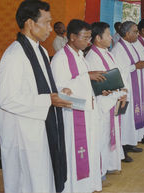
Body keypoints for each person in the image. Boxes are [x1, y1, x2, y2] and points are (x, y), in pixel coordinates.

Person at [0, 0, 71, 193]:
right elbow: (6, 99)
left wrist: (59, 93)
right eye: (46, 22)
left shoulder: (41, 51)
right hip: (24, 132)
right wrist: (48, 100)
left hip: (41, 126)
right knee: (28, 181)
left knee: (42, 178)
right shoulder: (15, 55)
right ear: (30, 23)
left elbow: (43, 87)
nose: (50, 28)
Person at [51, 19, 104, 192]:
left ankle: (87, 185)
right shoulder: (60, 59)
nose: (88, 41)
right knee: (76, 154)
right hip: (72, 115)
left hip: (87, 111)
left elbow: (85, 82)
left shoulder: (80, 55)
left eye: (90, 37)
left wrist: (99, 89)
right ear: (72, 37)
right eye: (85, 37)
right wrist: (87, 77)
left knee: (90, 149)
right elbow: (59, 91)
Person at [85, 22, 127, 183]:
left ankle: (109, 164)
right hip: (103, 102)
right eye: (108, 34)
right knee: (102, 136)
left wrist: (123, 91)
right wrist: (112, 93)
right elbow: (98, 84)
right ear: (97, 38)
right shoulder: (92, 57)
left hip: (113, 99)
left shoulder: (107, 53)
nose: (111, 37)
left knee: (111, 132)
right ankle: (100, 168)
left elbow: (118, 74)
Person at [111, 21, 144, 162]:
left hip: (134, 87)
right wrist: (134, 67)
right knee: (123, 119)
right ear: (127, 34)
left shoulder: (130, 46)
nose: (137, 34)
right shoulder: (118, 49)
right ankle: (122, 149)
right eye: (135, 31)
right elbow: (118, 71)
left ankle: (129, 143)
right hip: (124, 91)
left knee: (130, 119)